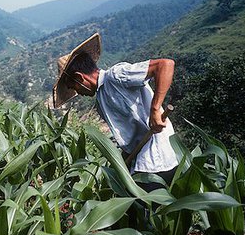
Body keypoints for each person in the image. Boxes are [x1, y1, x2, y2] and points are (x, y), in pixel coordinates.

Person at [52, 33, 178, 191]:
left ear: (79, 77)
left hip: (156, 154)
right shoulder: (101, 100)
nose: (77, 92)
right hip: (140, 158)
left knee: (142, 208)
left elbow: (165, 65)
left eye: (73, 87)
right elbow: (127, 135)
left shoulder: (116, 76)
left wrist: (154, 110)